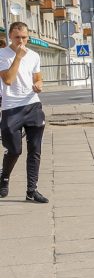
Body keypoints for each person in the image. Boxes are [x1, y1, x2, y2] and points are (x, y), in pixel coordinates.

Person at [0, 22, 48, 203]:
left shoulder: (34, 55)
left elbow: (37, 77)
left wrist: (39, 85)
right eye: (17, 37)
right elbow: (9, 80)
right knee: (14, 150)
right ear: (10, 37)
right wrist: (18, 58)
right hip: (11, 108)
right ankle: (4, 178)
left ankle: (31, 191)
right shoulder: (2, 54)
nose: (21, 41)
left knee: (35, 150)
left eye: (24, 37)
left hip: (32, 105)